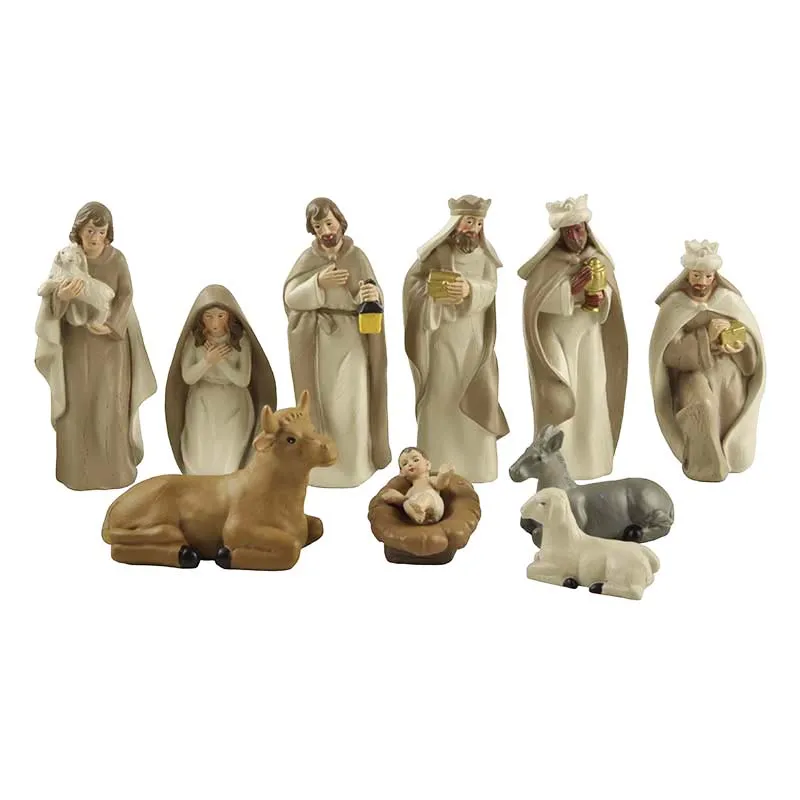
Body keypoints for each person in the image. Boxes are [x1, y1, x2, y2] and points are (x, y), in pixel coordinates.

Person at [34, 201, 156, 490]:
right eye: (90, 230)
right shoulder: (66, 257)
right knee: (77, 405)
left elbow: (126, 295)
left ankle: (115, 471)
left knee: (110, 405)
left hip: (111, 346)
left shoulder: (117, 259)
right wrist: (62, 297)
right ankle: (76, 471)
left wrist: (111, 324)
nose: (95, 237)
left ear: (108, 233)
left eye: (101, 232)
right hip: (76, 345)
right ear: (79, 231)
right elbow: (51, 298)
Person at [519, 194, 628, 480]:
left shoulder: (598, 260)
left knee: (591, 392)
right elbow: (535, 301)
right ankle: (558, 463)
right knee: (559, 396)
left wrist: (600, 295)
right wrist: (570, 290)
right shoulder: (548, 264)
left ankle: (592, 460)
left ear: (587, 230)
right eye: (569, 232)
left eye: (579, 230)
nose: (576, 237)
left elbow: (610, 297)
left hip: (588, 333)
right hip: (554, 335)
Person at [283, 197, 390, 488]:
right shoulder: (308, 259)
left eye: (329, 223)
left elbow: (373, 292)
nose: (325, 231)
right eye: (318, 226)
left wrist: (371, 295)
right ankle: (323, 464)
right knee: (324, 402)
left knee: (352, 400)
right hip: (319, 344)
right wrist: (318, 283)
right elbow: (291, 297)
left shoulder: (357, 257)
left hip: (351, 337)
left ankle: (354, 463)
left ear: (340, 222)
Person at [403, 195, 508, 483]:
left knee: (478, 394)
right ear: (456, 223)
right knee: (441, 396)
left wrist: (469, 290)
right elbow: (412, 287)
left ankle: (478, 466)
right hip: (442, 338)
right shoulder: (435, 254)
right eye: (469, 222)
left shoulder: (486, 257)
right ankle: (437, 463)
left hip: (474, 340)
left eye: (479, 223)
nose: (474, 229)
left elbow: (490, 288)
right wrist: (432, 295)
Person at [650, 240, 765, 481]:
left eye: (708, 276)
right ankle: (706, 466)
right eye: (696, 275)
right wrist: (706, 337)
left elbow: (750, 348)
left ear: (715, 277)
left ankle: (732, 456)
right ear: (688, 275)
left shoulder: (729, 301)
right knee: (703, 407)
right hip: (694, 373)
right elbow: (669, 353)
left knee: (734, 407)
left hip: (729, 372)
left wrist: (738, 342)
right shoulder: (675, 305)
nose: (702, 282)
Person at [165, 285, 277, 475]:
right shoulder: (194, 341)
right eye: (208, 316)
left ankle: (227, 484)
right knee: (200, 446)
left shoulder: (241, 341)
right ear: (200, 318)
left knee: (229, 449)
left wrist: (220, 362)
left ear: (230, 316)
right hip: (202, 401)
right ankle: (199, 483)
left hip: (233, 403)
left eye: (220, 316)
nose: (215, 322)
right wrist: (207, 361)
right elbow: (188, 377)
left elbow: (243, 380)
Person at [381, 447, 454, 524]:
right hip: (422, 516)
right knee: (406, 503)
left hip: (435, 506)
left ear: (428, 465)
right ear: (402, 473)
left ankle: (421, 507)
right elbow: (405, 499)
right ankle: (417, 516)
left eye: (415, 460)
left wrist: (444, 475)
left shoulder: (429, 479)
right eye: (405, 464)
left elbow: (440, 485)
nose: (410, 464)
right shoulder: (411, 490)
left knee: (426, 496)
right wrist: (396, 497)